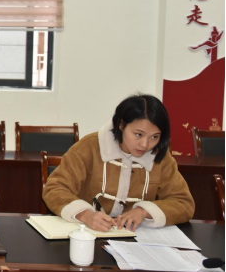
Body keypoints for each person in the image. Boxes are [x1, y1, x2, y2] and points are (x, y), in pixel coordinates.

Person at [42, 94, 194, 232]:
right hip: (87, 234)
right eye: (138, 134)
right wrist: (85, 215)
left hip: (135, 238)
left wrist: (144, 211)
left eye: (154, 137)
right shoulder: (89, 147)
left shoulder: (160, 157)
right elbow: (54, 189)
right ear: (121, 125)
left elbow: (184, 204)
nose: (145, 144)